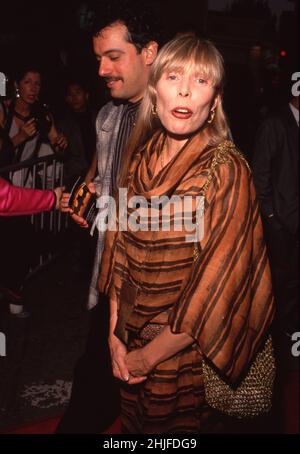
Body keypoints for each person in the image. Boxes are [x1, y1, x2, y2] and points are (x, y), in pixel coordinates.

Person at [98, 35, 275, 434]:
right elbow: (118, 255)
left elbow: (217, 287)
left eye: (200, 80)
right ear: (154, 91)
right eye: (174, 75)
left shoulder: (226, 170)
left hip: (185, 359)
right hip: (129, 341)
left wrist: (149, 358)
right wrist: (114, 339)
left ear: (214, 102)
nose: (183, 89)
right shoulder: (139, 157)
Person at [56, 2, 160, 433]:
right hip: (111, 281)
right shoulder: (107, 116)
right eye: (99, 58)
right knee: (95, 380)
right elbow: (103, 181)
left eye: (114, 57)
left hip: (160, 295)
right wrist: (84, 198)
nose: (102, 70)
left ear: (149, 52)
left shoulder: (177, 118)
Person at [252, 93, 299, 433]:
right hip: (281, 227)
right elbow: (261, 174)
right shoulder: (274, 123)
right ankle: (277, 355)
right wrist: (271, 216)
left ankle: (291, 349)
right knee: (278, 292)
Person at [0, 65, 68, 187]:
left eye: (37, 84)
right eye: (27, 82)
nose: (33, 88)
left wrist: (62, 144)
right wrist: (20, 137)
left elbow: (60, 151)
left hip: (24, 186)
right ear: (17, 85)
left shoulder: (42, 115)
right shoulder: (3, 110)